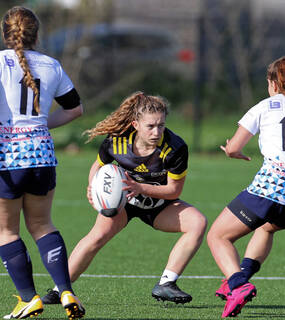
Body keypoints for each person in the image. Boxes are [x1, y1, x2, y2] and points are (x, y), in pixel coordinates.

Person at [42, 91, 207, 305]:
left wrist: (140, 187)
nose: (157, 131)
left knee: (198, 222)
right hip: (124, 203)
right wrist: (93, 187)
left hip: (159, 205)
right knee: (97, 237)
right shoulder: (116, 141)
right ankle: (60, 289)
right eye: (150, 126)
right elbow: (98, 166)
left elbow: (174, 191)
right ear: (136, 124)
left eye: (161, 125)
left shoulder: (175, 148)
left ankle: (166, 283)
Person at [207, 55, 285, 318]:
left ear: (273, 84)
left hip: (274, 187)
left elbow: (234, 146)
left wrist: (233, 152)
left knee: (218, 236)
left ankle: (237, 285)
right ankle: (240, 276)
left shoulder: (266, 106)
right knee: (267, 227)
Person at [0, 6, 85, 320]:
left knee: (7, 232)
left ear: (6, 32)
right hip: (41, 154)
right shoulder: (52, 65)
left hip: (7, 156)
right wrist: (37, 126)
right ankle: (65, 291)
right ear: (37, 34)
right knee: (42, 225)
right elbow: (75, 109)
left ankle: (28, 299)